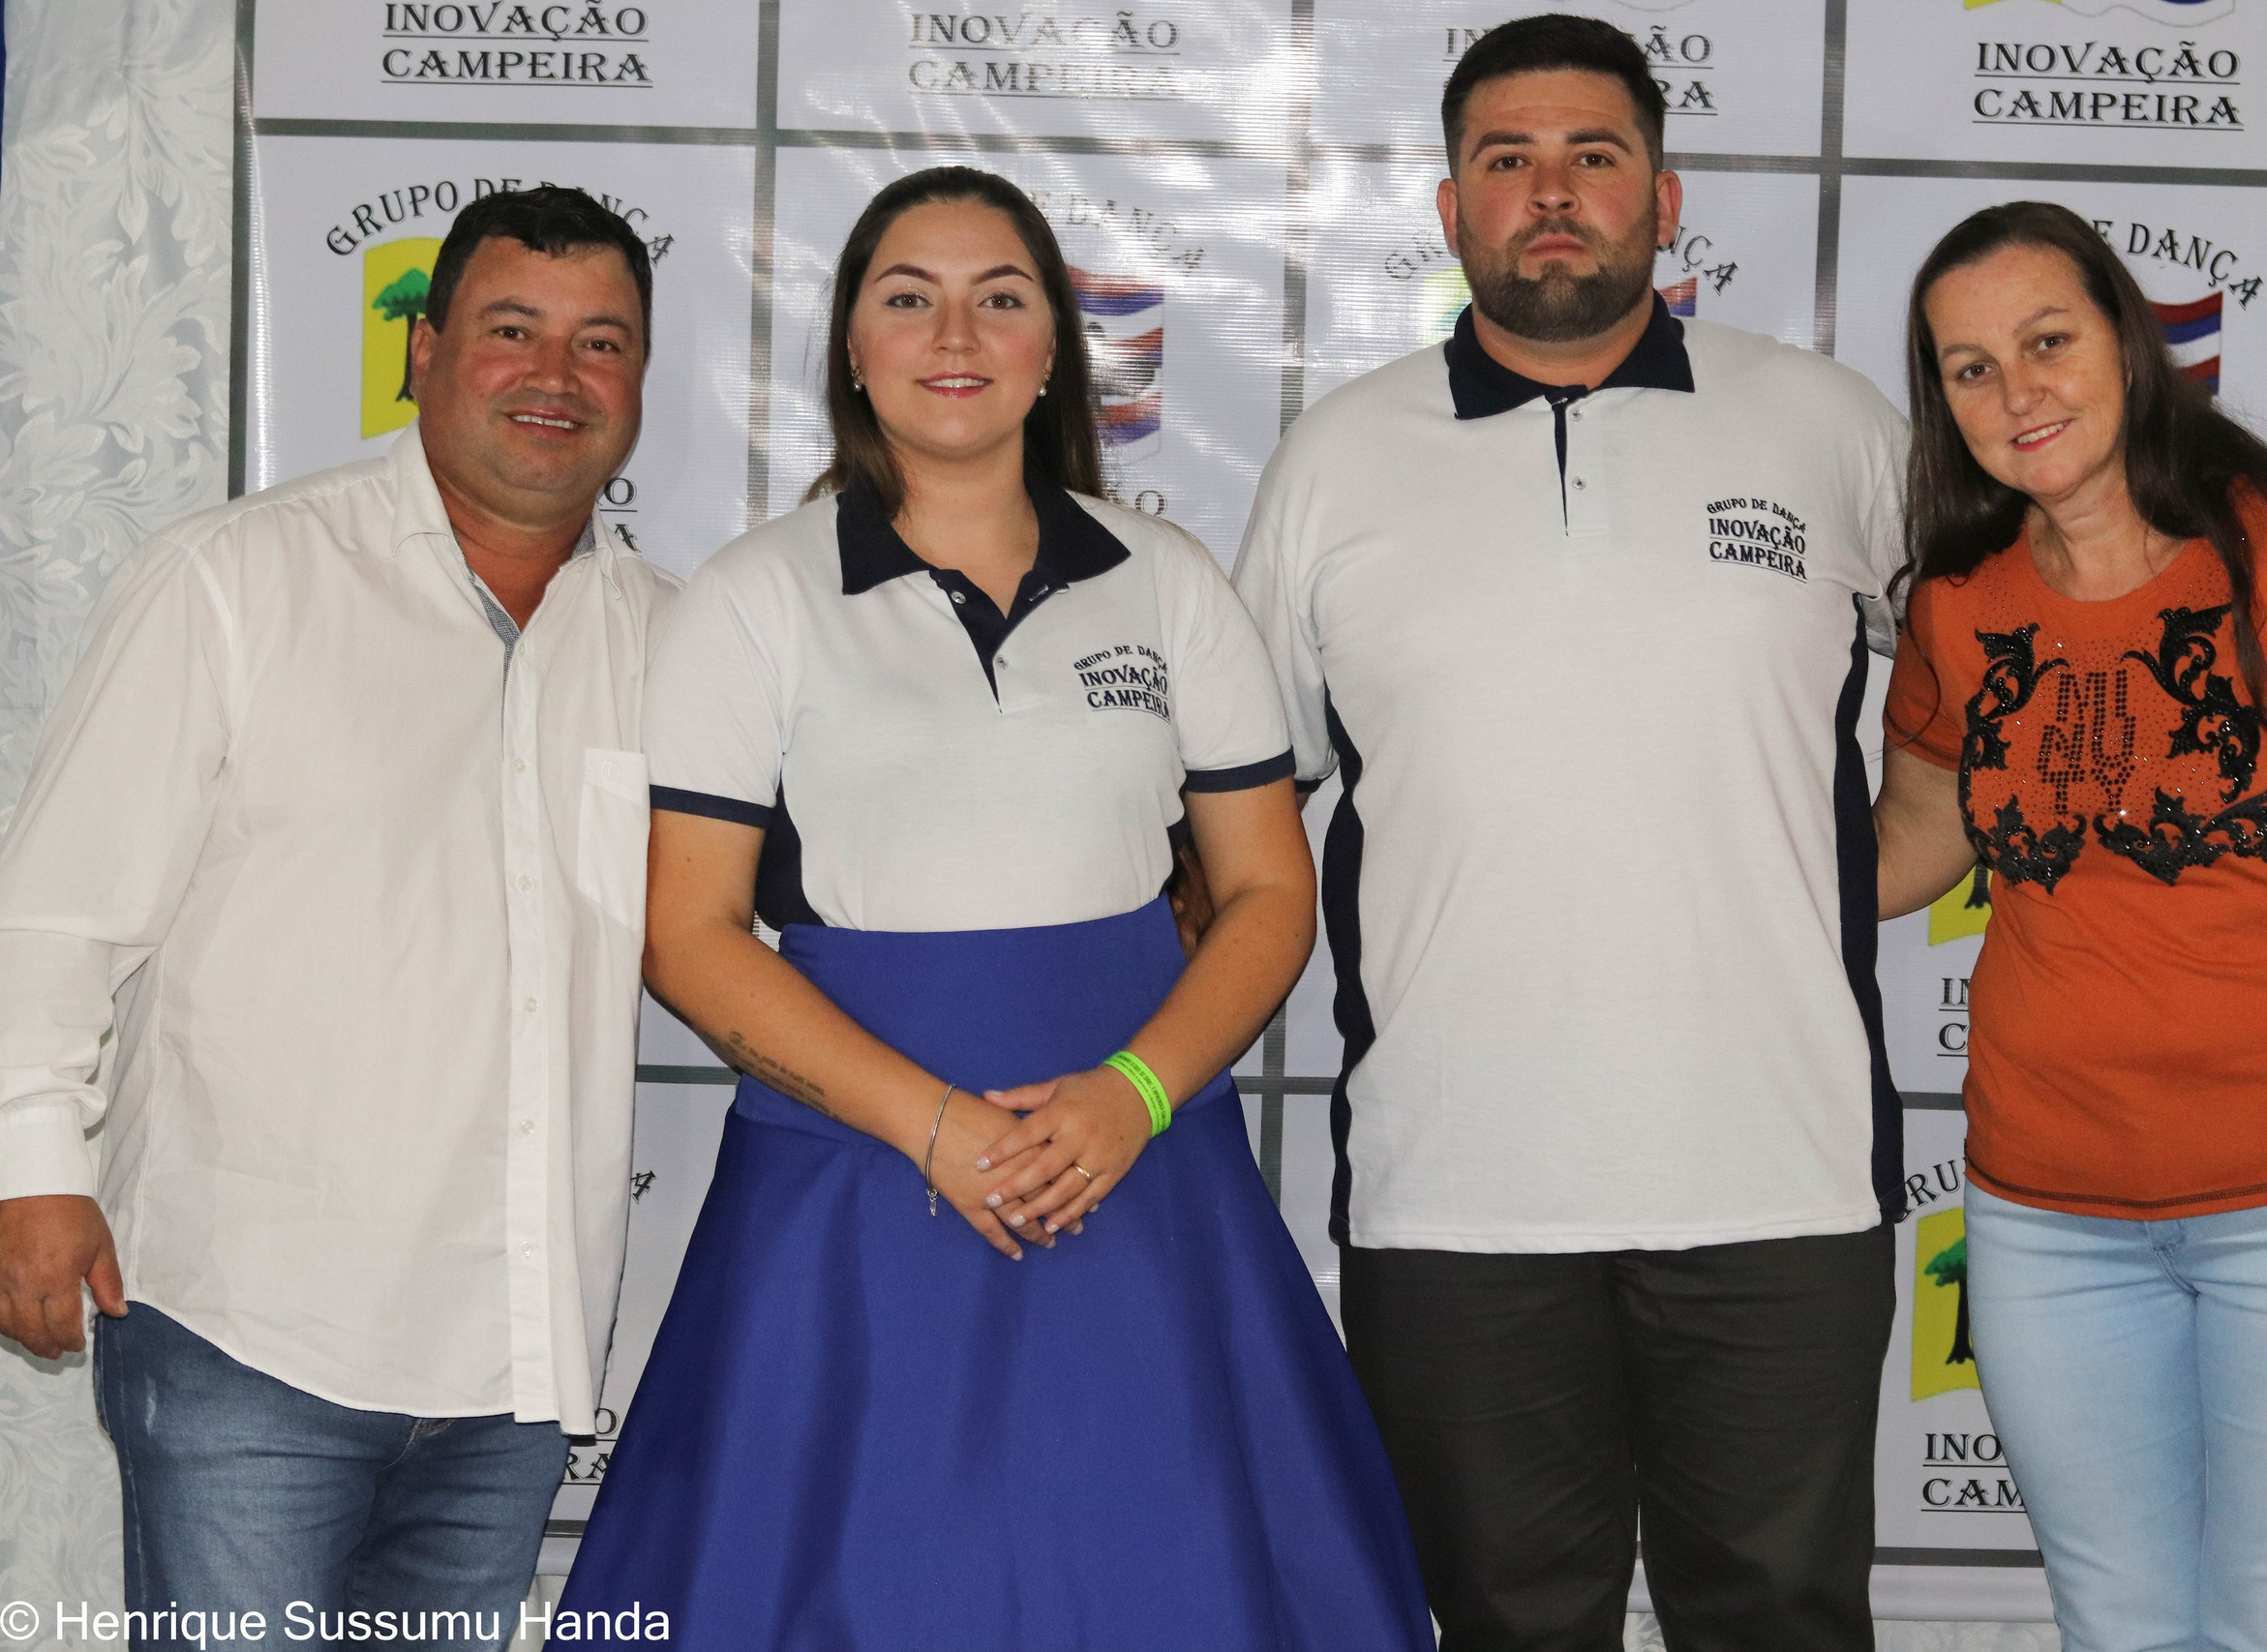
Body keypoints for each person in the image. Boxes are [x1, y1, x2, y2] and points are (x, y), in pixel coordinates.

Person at [554, 165, 1433, 1651]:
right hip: (850, 1194)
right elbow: (689, 934)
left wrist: (1135, 1095)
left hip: (1139, 1177)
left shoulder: (1168, 583)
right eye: (908, 296)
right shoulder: (753, 599)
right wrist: (937, 1128)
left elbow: (1271, 891)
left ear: (1049, 350)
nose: (952, 330)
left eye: (1000, 297)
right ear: (850, 344)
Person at [1231, 15, 1909, 1652]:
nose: (1553, 194)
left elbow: (1975, 707)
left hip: (1780, 1184)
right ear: (1449, 208)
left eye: (1594, 157)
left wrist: (1806, 891)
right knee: (1501, 1626)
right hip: (1455, 1198)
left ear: (1664, 198)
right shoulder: (1334, 465)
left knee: (1784, 1625)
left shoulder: (1831, 429)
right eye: (1507, 161)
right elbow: (1239, 822)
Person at [0, 186, 673, 1648]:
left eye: (600, 343)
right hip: (250, 1328)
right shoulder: (232, 581)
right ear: (422, 353)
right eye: (512, 330)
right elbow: (55, 916)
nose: (555, 376)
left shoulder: (671, 642)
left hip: (514, 1365)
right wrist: (32, 1169)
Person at [1874, 200, 2267, 1652]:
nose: (2015, 392)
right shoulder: (1961, 604)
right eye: (1968, 369)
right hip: (2044, 1220)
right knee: (2118, 1620)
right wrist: (1690, 854)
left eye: (2046, 342)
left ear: (2128, 346)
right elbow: (1913, 838)